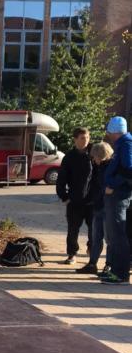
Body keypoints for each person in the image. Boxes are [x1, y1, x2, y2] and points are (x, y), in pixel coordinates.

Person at [56, 127, 94, 265]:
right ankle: (72, 254)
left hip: (92, 200)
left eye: (88, 137)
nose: (86, 140)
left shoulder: (94, 153)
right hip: (74, 200)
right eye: (82, 138)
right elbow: (61, 179)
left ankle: (92, 251)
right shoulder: (69, 157)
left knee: (94, 229)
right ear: (75, 139)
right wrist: (64, 197)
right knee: (73, 229)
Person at [101, 116, 132, 284]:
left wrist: (113, 184)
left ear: (115, 132)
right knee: (116, 235)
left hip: (118, 195)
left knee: (117, 234)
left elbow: (128, 170)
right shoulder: (123, 143)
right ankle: (116, 270)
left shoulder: (126, 144)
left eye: (109, 132)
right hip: (118, 194)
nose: (108, 136)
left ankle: (121, 273)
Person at [76, 142, 113, 276]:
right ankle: (92, 264)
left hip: (107, 207)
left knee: (109, 239)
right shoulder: (98, 167)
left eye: (95, 157)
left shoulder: (110, 167)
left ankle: (109, 265)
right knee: (96, 237)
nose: (93, 159)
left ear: (101, 156)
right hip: (98, 205)